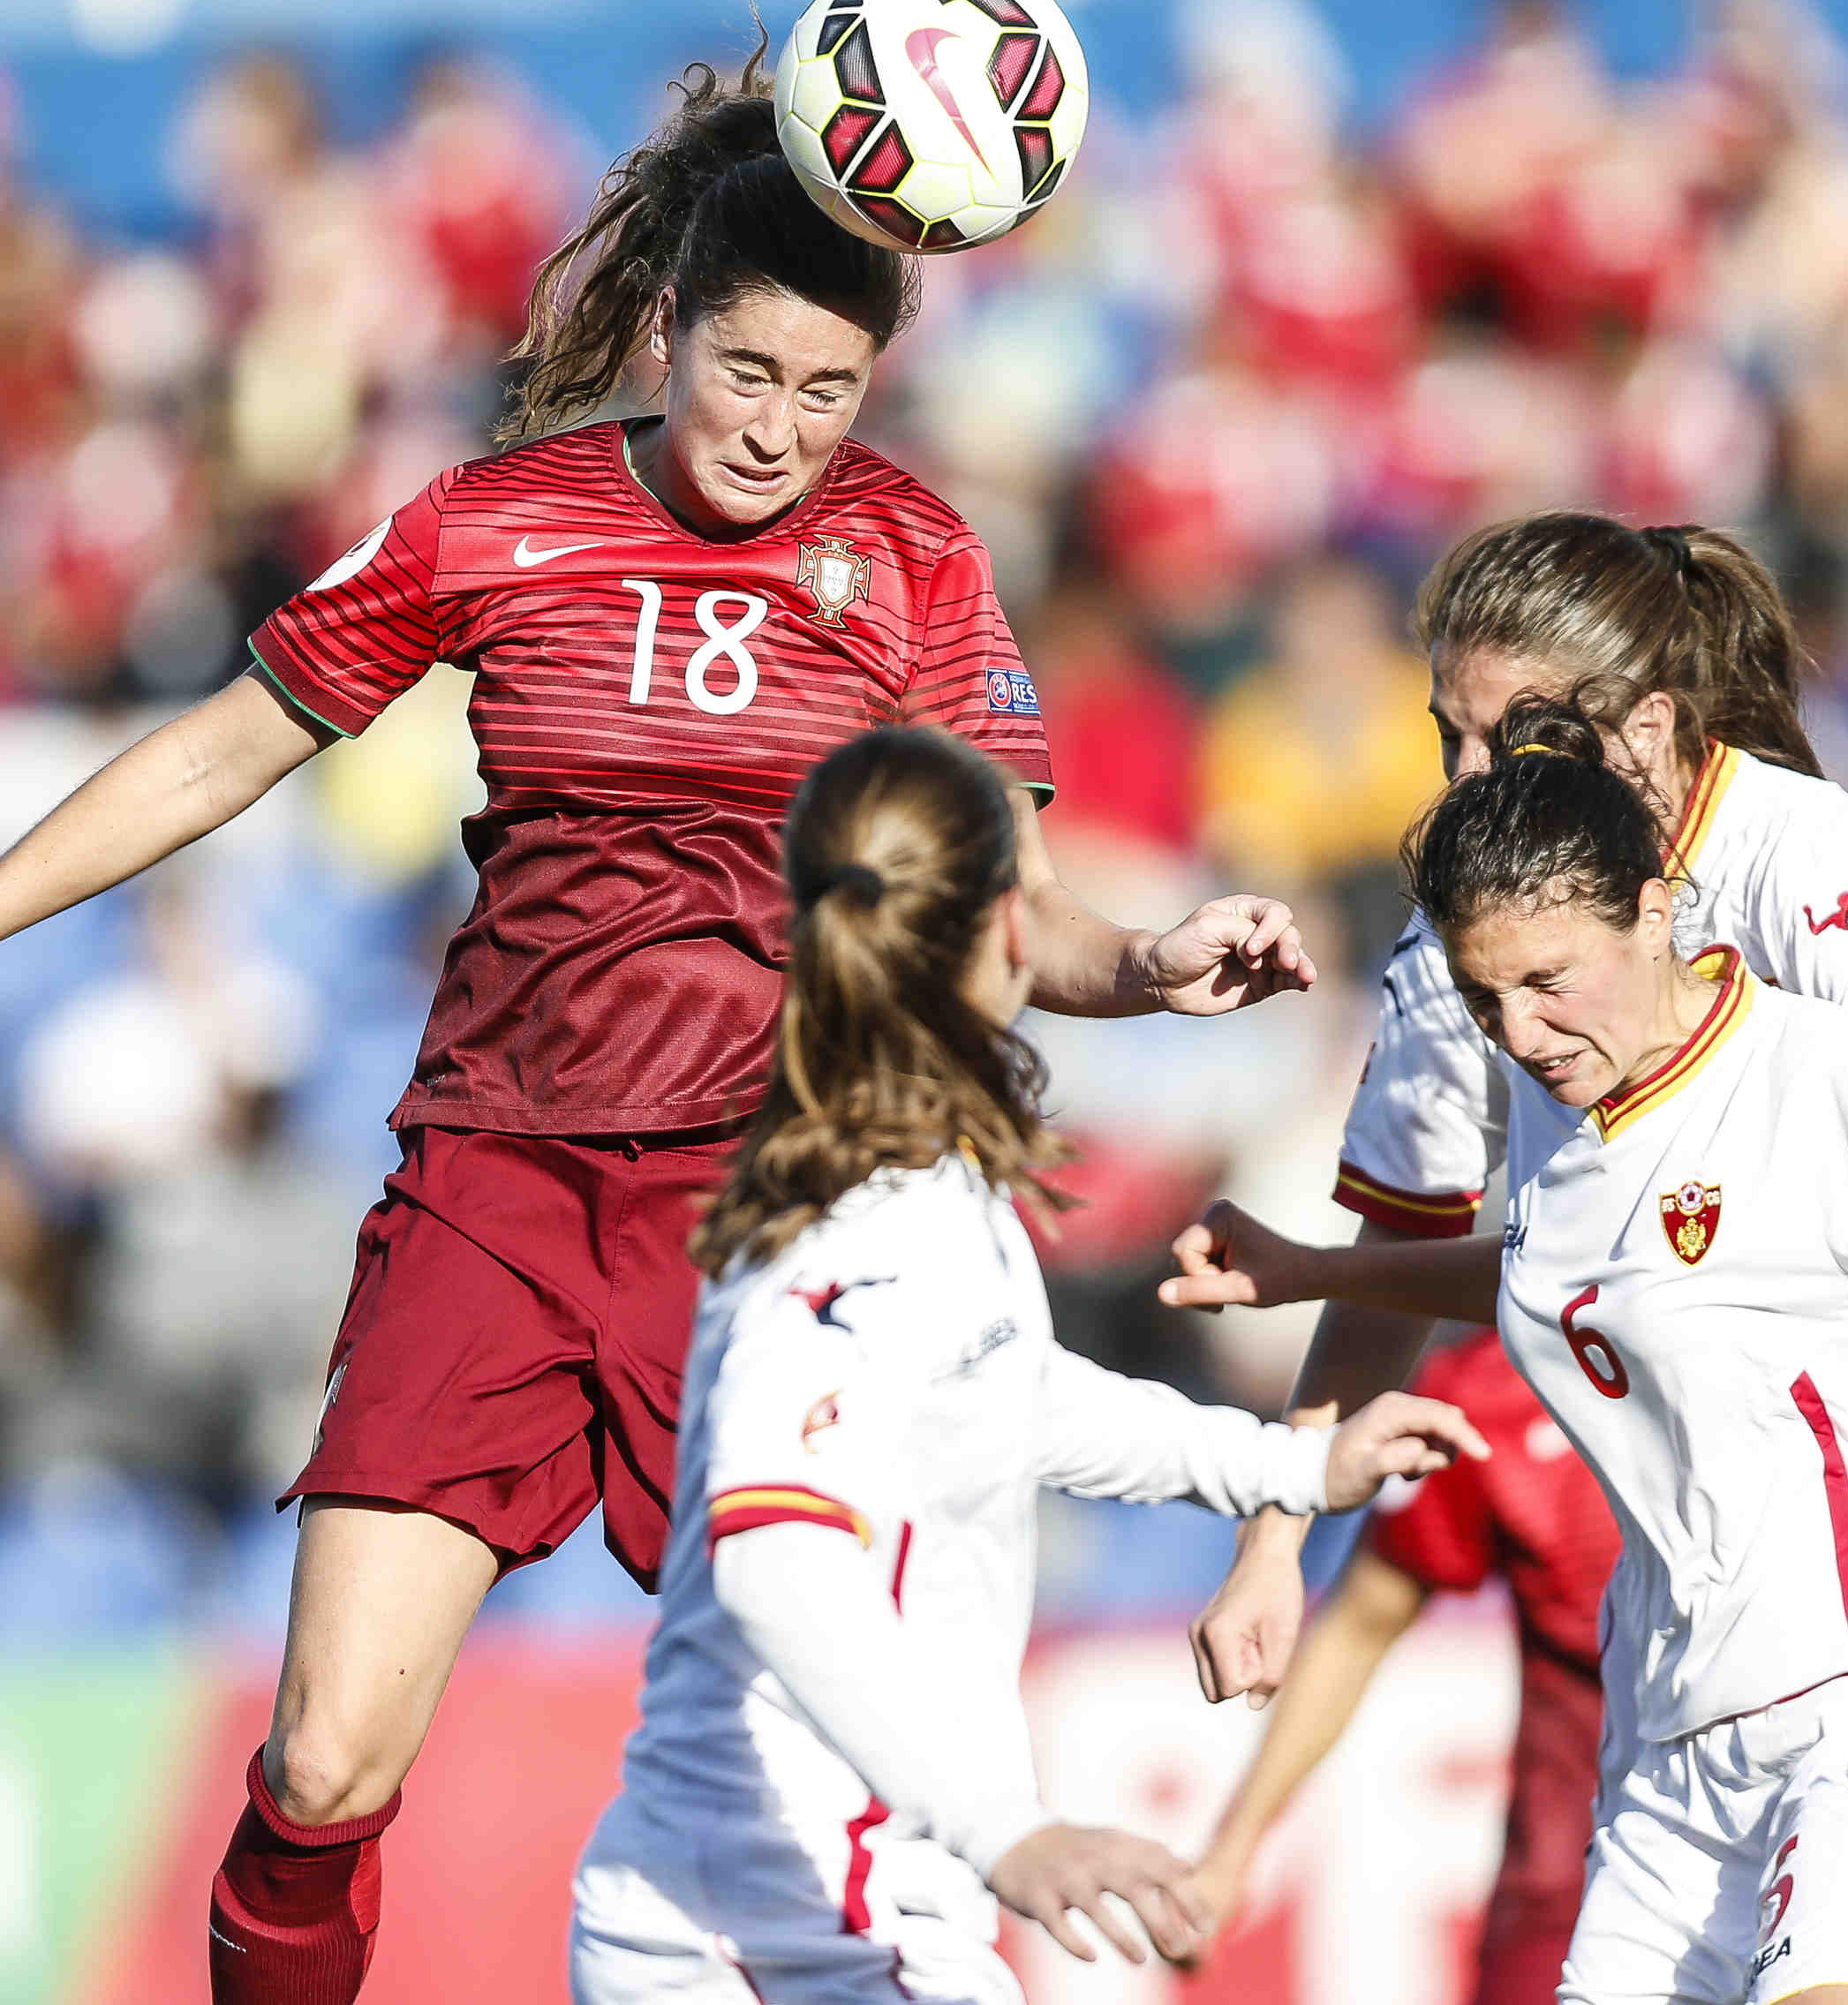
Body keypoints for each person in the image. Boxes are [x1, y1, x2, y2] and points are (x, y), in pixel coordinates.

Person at [0, 54, 1316, 2005]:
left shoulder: (912, 561)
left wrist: (1153, 962)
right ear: (668, 330)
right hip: (498, 1185)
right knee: (323, 1757)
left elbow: (1010, 910)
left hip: (765, 1219)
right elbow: (219, 754)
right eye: (747, 374)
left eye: (828, 395)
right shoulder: (497, 524)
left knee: (833, 1760)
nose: (777, 431)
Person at [1193, 514, 1848, 2000]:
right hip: (1688, 1654)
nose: (1478, 779)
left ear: (1646, 728)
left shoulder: (1801, 874)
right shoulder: (1464, 954)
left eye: (1519, 734)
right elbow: (1525, 1247)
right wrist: (1278, 1513)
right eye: (1449, 738)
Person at [566, 723, 1485, 2004]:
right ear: (1011, 924)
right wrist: (1011, 1832)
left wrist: (1285, 1463)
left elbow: (1014, 1398)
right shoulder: (867, 1225)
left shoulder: (909, 1167)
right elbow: (776, 1551)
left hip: (828, 1906)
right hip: (785, 1922)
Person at [1180, 1325, 1616, 2005]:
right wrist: (1229, 1857)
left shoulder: (1814, 1350)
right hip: (1572, 1903)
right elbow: (1360, 1625)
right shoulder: (1494, 1393)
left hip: (1794, 1862)